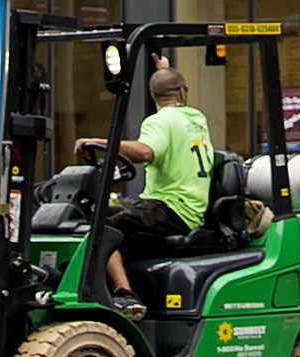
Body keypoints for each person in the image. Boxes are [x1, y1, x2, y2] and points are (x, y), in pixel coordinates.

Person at [90, 61, 213, 299]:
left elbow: (146, 152)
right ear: (181, 91)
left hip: (171, 208)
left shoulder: (158, 121)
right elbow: (170, 88)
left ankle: (125, 295)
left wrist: (105, 143)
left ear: (151, 95)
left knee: (101, 229)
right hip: (187, 208)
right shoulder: (197, 118)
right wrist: (163, 69)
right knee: (102, 214)